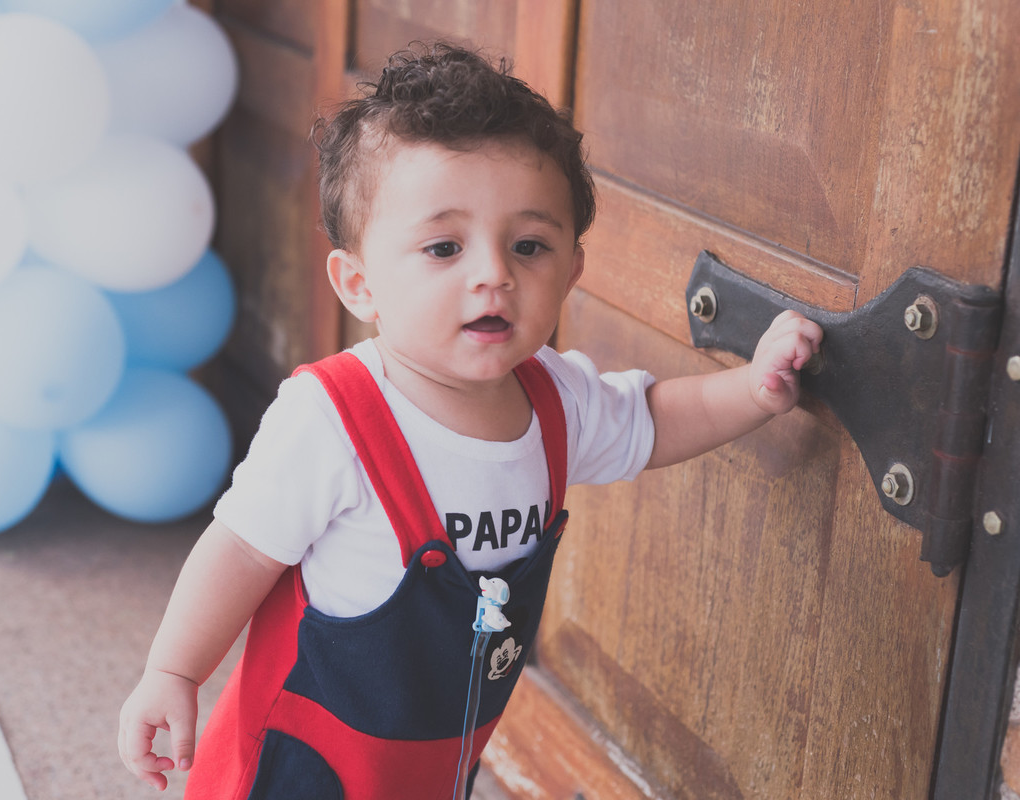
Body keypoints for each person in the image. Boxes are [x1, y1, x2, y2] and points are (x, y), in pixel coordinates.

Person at [117, 42, 823, 799]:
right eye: (444, 247)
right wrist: (174, 671)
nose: (494, 273)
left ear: (571, 273)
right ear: (359, 283)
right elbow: (239, 551)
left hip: (442, 749)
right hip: (307, 759)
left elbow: (652, 419)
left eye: (529, 246)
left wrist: (753, 390)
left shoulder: (557, 400)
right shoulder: (331, 419)